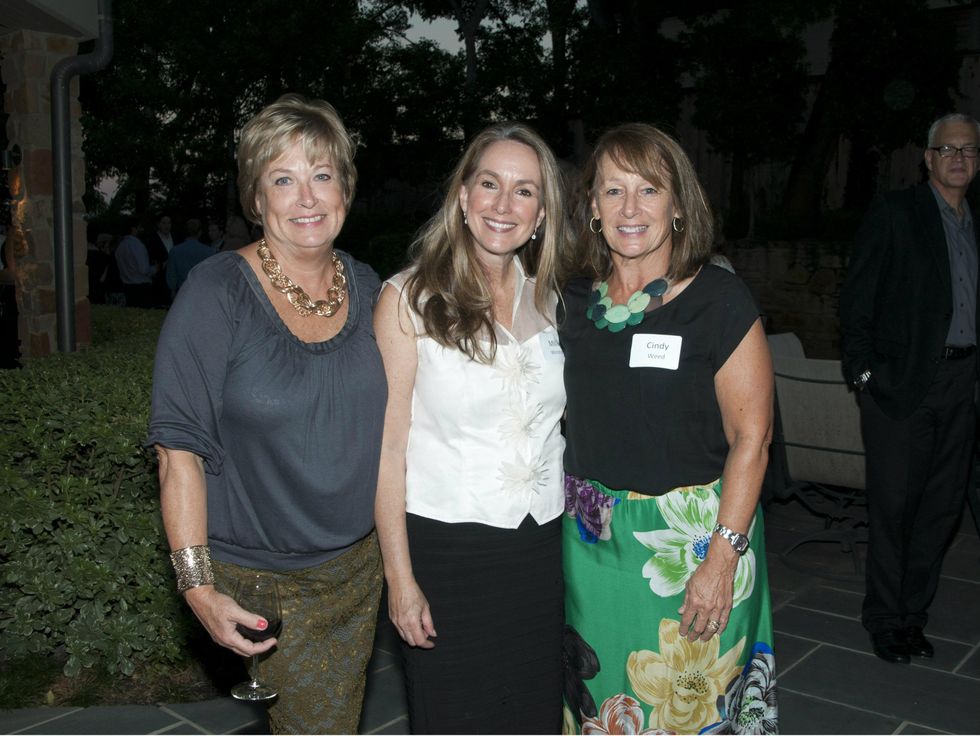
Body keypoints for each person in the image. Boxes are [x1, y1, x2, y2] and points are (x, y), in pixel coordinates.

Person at [148, 93, 387, 734]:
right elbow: (178, 450)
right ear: (257, 198)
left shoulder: (373, 290)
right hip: (266, 581)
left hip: (360, 573)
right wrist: (197, 588)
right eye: (283, 179)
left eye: (322, 175)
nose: (306, 198)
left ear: (345, 188)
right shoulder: (217, 293)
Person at [559, 124, 777, 735]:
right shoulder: (574, 301)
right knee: (605, 708)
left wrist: (721, 556)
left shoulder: (720, 299)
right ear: (593, 208)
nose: (630, 209)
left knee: (691, 708)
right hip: (591, 546)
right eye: (613, 191)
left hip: (695, 545)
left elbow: (753, 439)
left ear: (678, 205)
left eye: (649, 190)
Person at [374, 122, 570, 733]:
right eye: (489, 184)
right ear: (463, 196)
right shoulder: (408, 299)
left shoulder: (556, 299)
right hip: (447, 551)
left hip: (540, 551)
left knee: (533, 714)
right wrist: (400, 580)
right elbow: (388, 451)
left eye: (524, 191)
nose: (504, 205)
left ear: (541, 213)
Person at [839, 112, 979, 665]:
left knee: (941, 510)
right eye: (948, 150)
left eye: (969, 150)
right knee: (895, 508)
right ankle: (884, 620)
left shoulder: (975, 224)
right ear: (928, 159)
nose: (959, 159)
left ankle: (912, 616)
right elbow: (857, 300)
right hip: (901, 387)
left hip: (961, 384)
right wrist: (866, 375)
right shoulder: (897, 214)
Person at [165, 218, 215, 296]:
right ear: (200, 232)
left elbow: (172, 276)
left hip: (182, 292)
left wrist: (173, 290)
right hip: (203, 293)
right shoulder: (210, 252)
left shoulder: (175, 251)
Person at [115, 218, 156, 308]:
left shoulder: (120, 246)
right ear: (133, 229)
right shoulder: (137, 245)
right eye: (140, 227)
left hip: (127, 289)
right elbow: (144, 269)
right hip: (141, 290)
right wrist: (156, 268)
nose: (142, 230)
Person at [144, 213, 175, 307]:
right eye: (164, 223)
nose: (167, 226)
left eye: (169, 223)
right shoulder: (151, 240)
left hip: (174, 279)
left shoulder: (176, 237)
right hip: (159, 281)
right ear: (158, 224)